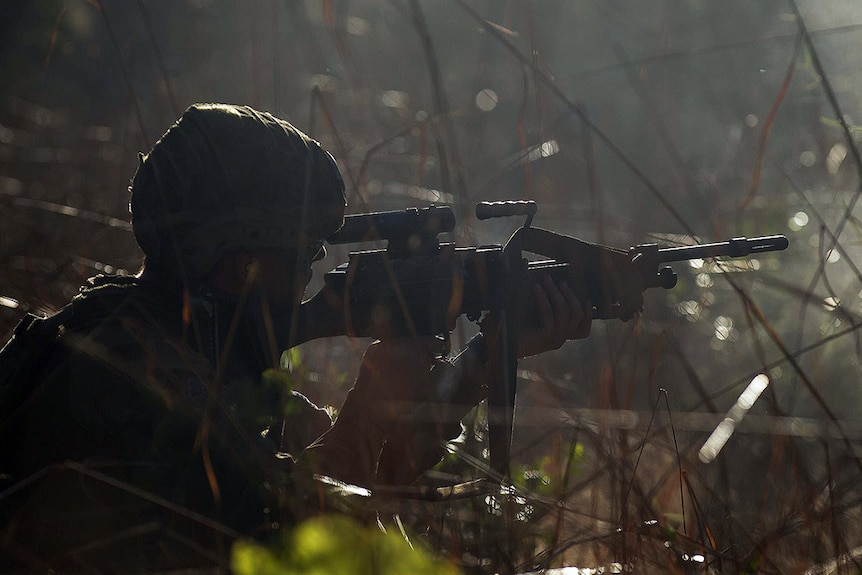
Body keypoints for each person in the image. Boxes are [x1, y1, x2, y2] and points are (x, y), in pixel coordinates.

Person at [0, 103, 591, 570]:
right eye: (303, 253)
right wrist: (368, 412)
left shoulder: (199, 353)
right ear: (243, 265)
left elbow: (375, 474)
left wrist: (482, 362)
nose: (312, 272)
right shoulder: (129, 370)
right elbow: (278, 542)